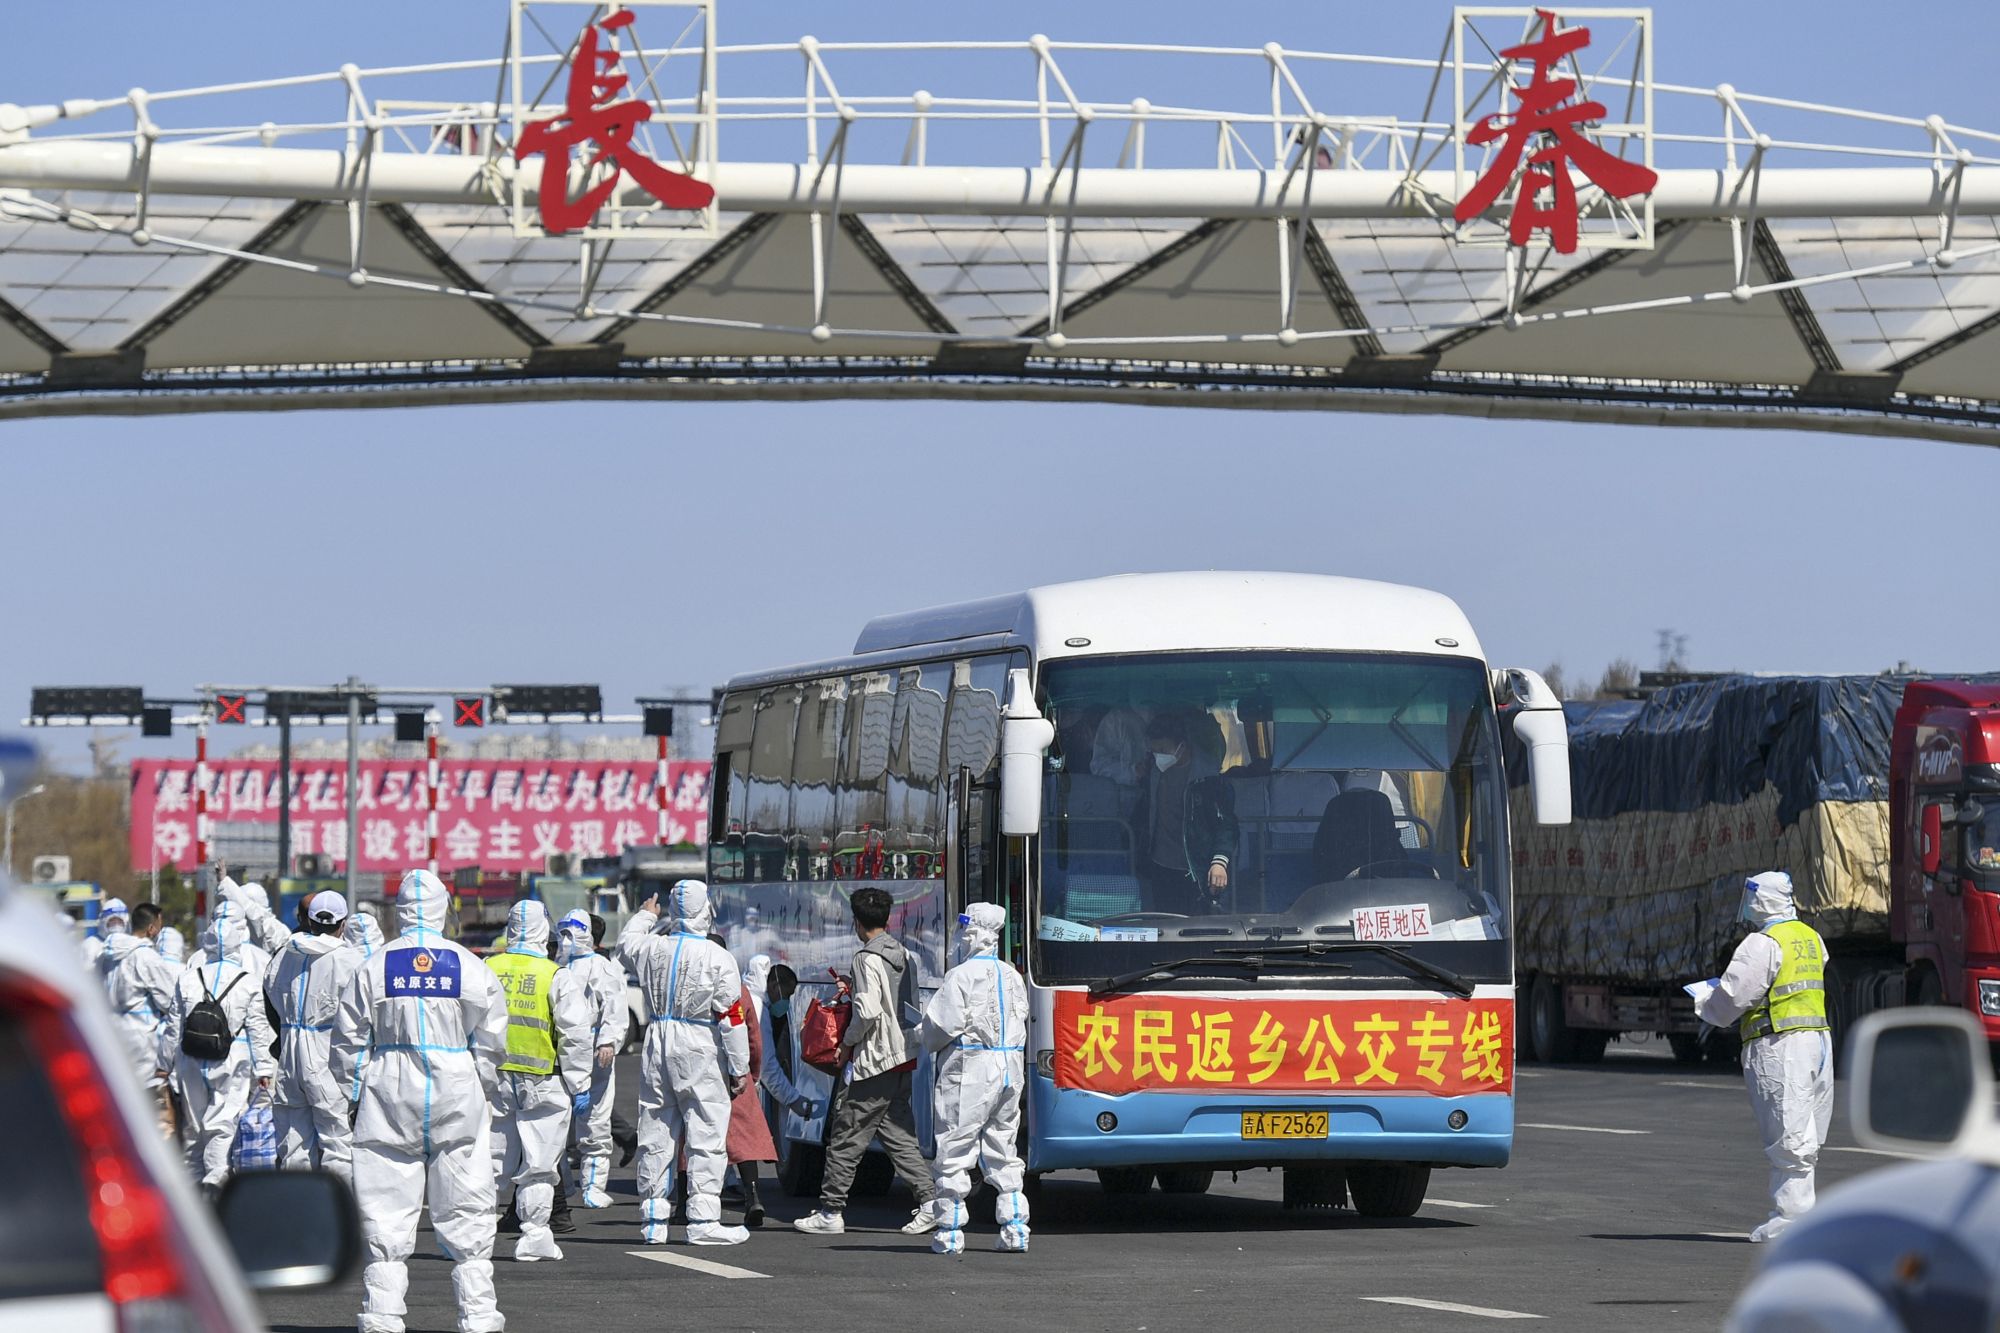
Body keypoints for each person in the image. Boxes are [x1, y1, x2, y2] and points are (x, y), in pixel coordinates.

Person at [332, 869, 508, 1333]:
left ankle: (382, 1315)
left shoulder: (374, 965)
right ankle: (478, 1314)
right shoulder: (470, 966)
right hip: (456, 1085)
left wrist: (356, 1093)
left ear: (401, 911)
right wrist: (480, 1085)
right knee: (468, 1198)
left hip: (389, 1088)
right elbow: (491, 1039)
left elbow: (348, 1040)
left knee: (385, 1205)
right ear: (441, 909)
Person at [1693, 870, 1835, 1244]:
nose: (1748, 905)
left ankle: (1792, 1219)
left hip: (1780, 1044)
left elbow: (1733, 998)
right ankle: (1800, 1214)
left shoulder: (1762, 943)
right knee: (1804, 1132)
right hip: (1816, 1040)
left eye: (1752, 897)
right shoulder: (1810, 937)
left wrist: (1705, 1003)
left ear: (1763, 900)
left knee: (1787, 1133)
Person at [794, 887, 940, 1237]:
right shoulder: (904, 954)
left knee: (846, 1135)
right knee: (898, 1135)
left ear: (857, 922)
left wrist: (846, 1044)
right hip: (903, 1055)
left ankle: (831, 1210)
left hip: (874, 1059)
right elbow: (902, 1004)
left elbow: (868, 1011)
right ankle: (931, 1202)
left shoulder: (865, 958)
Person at [618, 880, 752, 1246]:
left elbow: (625, 944)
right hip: (699, 1044)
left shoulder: (651, 947)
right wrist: (739, 1067)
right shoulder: (717, 956)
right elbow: (732, 1017)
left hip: (657, 1041)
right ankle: (703, 1220)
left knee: (655, 1132)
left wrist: (646, 916)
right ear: (705, 910)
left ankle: (652, 1219)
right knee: (706, 1132)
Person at [486, 900, 593, 1263]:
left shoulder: (489, 968)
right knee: (539, 1165)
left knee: (488, 1161)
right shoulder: (554, 974)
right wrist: (580, 1084)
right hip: (543, 1080)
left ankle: (472, 1234)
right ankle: (534, 1236)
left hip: (493, 1078)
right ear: (543, 929)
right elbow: (575, 1034)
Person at [923, 903, 1031, 1254]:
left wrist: (920, 1035)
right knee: (1003, 1145)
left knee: (955, 1146)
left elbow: (942, 1026)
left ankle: (949, 1232)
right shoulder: (1013, 975)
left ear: (972, 934)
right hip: (1010, 1067)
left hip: (971, 1067)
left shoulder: (961, 976)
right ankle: (1015, 1228)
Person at [162, 902, 275, 1196]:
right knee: (223, 1124)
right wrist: (264, 1068)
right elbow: (258, 1029)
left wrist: (164, 1063)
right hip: (231, 1058)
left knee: (193, 1126)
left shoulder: (188, 976)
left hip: (189, 1058)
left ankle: (191, 1190)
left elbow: (173, 1025)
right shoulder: (247, 981)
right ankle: (216, 1183)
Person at [265, 891, 351, 1172]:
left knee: (292, 1142)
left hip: (290, 1055)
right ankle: (337, 1200)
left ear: (309, 921)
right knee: (337, 1141)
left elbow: (270, 1000)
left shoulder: (283, 955)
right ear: (343, 924)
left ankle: (296, 1200)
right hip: (328, 1056)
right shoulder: (350, 960)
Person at [555, 910, 627, 1209]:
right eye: (563, 934)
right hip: (560, 1049)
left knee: (595, 1120)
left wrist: (609, 1040)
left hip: (594, 1049)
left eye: (571, 934)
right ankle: (563, 1187)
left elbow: (615, 1004)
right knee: (555, 1123)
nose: (566, 940)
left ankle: (593, 1185)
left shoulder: (601, 966)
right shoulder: (558, 966)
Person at [1139, 713, 1239, 914]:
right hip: (1160, 865)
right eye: (1154, 751)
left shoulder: (1208, 776)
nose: (1158, 756)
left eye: (1163, 750)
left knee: (1197, 923)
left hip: (1195, 868)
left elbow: (1226, 824)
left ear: (1181, 746)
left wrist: (1219, 862)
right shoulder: (1154, 769)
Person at [106, 902, 182, 1141]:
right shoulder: (146, 956)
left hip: (112, 1036)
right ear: (152, 929)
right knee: (154, 1109)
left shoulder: (106, 955)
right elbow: (170, 999)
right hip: (143, 1041)